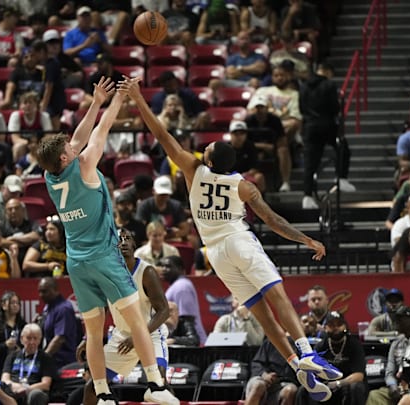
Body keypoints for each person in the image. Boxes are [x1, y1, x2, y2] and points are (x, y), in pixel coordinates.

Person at [121, 77, 341, 402]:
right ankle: (306, 351)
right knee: (277, 293)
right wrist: (307, 240)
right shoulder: (244, 185)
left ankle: (297, 365)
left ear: (209, 160)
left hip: (216, 254)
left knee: (263, 314)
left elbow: (162, 135)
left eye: (206, 148)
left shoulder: (193, 170)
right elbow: (273, 220)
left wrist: (139, 99)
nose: (203, 148)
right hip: (238, 240)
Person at [37, 77, 180, 405]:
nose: (74, 148)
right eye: (69, 151)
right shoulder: (85, 166)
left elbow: (77, 137)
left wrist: (96, 99)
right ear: (66, 159)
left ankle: (102, 393)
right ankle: (155, 386)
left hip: (76, 260)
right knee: (135, 321)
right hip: (103, 255)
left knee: (93, 330)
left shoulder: (50, 175)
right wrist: (119, 99)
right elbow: (100, 131)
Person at [81, 228, 171, 405]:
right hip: (122, 336)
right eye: (118, 239)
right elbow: (99, 310)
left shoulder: (147, 272)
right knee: (93, 387)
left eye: (127, 238)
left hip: (150, 332)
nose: (123, 242)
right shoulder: (105, 275)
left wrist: (138, 337)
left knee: (159, 382)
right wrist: (88, 339)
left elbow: (164, 311)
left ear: (133, 244)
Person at [300, 63, 354, 209]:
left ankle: (307, 196)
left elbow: (301, 107)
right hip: (327, 124)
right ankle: (341, 177)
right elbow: (334, 107)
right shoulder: (329, 85)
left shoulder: (304, 86)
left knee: (311, 163)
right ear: (328, 72)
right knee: (343, 148)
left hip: (310, 126)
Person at [365, 307, 410, 405]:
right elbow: (389, 372)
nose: (396, 321)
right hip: (397, 386)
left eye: (400, 319)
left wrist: (409, 384)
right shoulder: (396, 343)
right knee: (375, 395)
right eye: (396, 319)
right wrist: (393, 386)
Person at [300, 311, 367, 405]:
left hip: (347, 384)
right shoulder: (320, 346)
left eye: (339, 324)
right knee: (304, 389)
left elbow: (359, 376)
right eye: (331, 325)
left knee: (356, 387)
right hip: (326, 385)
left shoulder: (354, 345)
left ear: (345, 326)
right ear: (325, 328)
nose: (336, 328)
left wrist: (338, 384)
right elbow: (313, 372)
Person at [0, 323, 56, 405]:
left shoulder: (45, 358)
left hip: (33, 391)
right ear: (22, 339)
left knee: (36, 394)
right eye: (29, 338)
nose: (32, 342)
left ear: (40, 340)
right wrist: (15, 386)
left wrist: (26, 389)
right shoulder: (12, 356)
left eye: (35, 338)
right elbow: (4, 379)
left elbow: (46, 384)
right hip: (13, 390)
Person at [161, 255, 207, 345]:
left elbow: (187, 319)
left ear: (181, 269)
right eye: (162, 266)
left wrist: (175, 340)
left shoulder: (182, 286)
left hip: (192, 346)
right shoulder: (175, 285)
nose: (164, 269)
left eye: (168, 266)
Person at [244, 337, 299, 405]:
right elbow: (256, 363)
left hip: (284, 383)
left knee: (290, 390)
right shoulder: (270, 342)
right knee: (259, 385)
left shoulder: (300, 347)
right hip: (263, 378)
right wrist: (264, 375)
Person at [0, 291, 26, 379]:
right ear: (3, 305)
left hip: (19, 368)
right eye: (12, 303)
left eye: (17, 303)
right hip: (0, 368)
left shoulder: (23, 325)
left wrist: (21, 350)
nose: (15, 305)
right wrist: (5, 345)